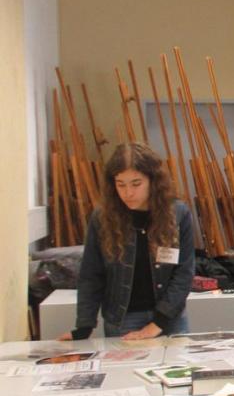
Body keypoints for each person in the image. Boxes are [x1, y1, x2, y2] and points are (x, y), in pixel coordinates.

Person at [62, 142, 194, 341]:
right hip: (124, 319)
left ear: (152, 180)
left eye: (136, 183)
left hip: (170, 319)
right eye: (120, 184)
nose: (128, 193)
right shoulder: (103, 217)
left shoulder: (177, 213)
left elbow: (184, 273)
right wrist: (83, 326)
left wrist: (158, 323)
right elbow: (91, 274)